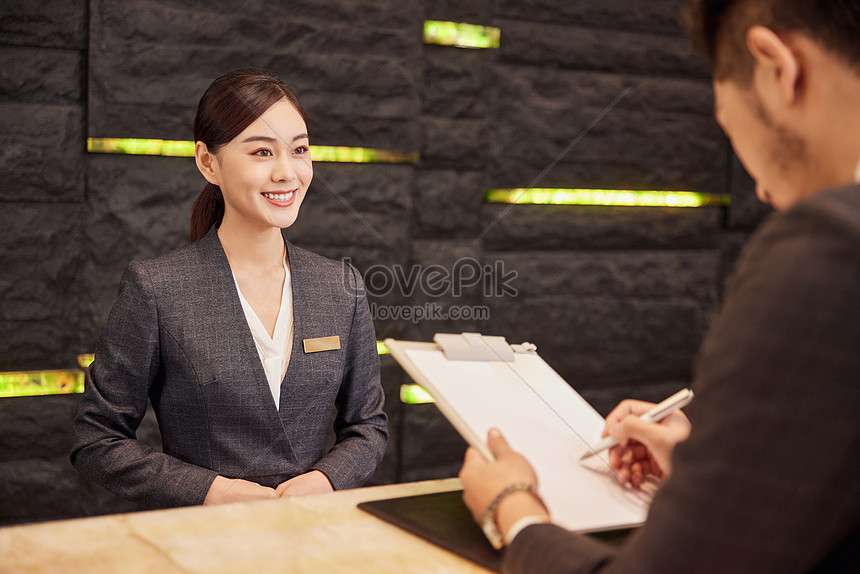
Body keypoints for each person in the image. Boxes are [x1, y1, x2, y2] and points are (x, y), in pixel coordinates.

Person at [459, 0, 860, 571]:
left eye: (727, 124)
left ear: (776, 67)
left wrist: (514, 510)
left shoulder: (829, 247)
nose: (764, 192)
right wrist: (722, 466)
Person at [71, 69, 388, 509]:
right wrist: (211, 491)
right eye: (262, 151)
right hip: (202, 543)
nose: (287, 172)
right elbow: (96, 439)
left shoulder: (341, 286)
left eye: (299, 150)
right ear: (208, 162)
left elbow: (369, 426)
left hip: (313, 537)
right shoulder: (157, 288)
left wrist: (327, 479)